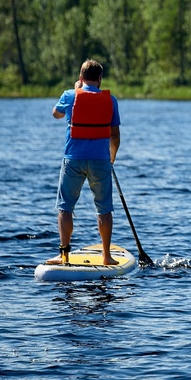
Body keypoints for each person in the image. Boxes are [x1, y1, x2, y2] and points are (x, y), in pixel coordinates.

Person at [48, 59, 121, 265]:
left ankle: (64, 256)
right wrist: (111, 158)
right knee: (104, 208)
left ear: (81, 78)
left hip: (73, 161)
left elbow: (55, 114)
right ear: (99, 79)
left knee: (65, 208)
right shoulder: (111, 100)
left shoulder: (70, 95)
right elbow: (115, 135)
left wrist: (73, 90)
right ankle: (106, 256)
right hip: (101, 162)